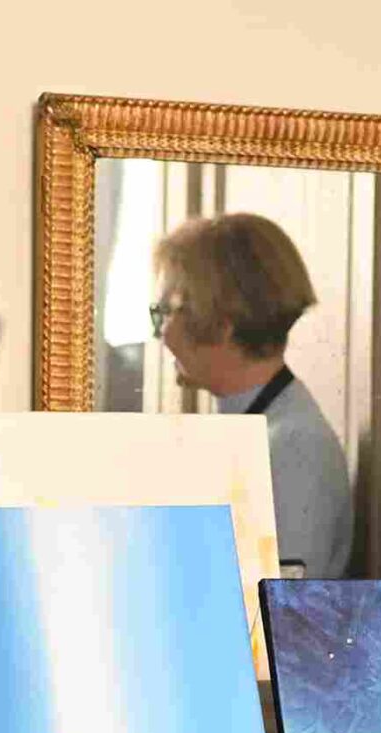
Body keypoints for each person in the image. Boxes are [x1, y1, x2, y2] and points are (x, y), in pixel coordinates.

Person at [150, 213, 353, 578]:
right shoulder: (261, 430)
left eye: (166, 312)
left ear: (221, 325)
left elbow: (277, 606)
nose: (161, 333)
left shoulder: (294, 448)